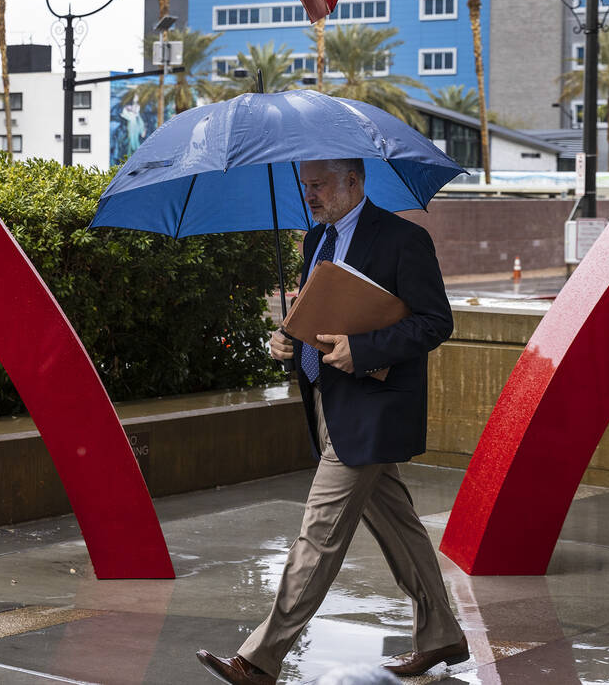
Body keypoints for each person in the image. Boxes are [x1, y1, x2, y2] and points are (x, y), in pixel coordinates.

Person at [196, 158, 468, 684]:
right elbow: (317, 317)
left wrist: (363, 349)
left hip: (373, 408)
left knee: (318, 535)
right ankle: (442, 636)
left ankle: (259, 659)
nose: (310, 196)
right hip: (327, 404)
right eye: (306, 186)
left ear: (354, 181)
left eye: (318, 185)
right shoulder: (313, 244)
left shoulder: (402, 239)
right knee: (397, 523)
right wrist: (286, 339)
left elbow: (436, 322)